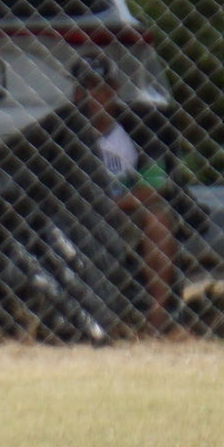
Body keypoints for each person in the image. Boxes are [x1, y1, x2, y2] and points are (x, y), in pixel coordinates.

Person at [77, 63, 179, 335]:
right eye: (84, 89)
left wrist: (116, 203)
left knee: (158, 219)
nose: (91, 97)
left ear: (113, 91)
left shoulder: (140, 126)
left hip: (124, 208)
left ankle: (157, 315)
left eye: (98, 89)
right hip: (79, 212)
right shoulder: (66, 131)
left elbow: (153, 185)